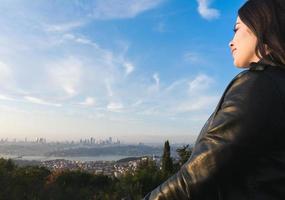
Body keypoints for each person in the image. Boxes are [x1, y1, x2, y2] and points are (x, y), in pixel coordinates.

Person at [143, 0, 285, 199]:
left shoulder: (258, 85)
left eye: (237, 29)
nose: (231, 41)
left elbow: (200, 174)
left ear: (262, 27)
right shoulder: (277, 84)